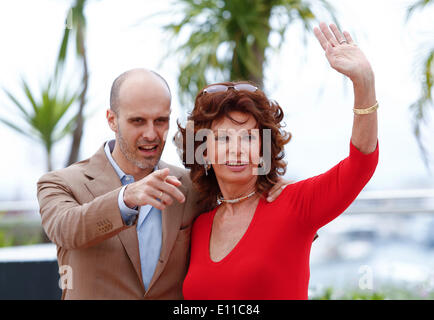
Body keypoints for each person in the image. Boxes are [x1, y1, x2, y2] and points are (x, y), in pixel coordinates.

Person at [36, 68, 288, 299]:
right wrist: (125, 198)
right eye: (137, 121)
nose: (151, 134)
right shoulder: (60, 183)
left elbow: (241, 209)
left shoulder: (193, 186)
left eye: (160, 121)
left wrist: (273, 189)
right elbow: (65, 229)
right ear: (111, 120)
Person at [179, 23, 379, 299]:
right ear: (203, 152)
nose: (236, 149)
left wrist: (363, 82)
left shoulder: (294, 205)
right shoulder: (199, 225)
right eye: (223, 139)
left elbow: (361, 166)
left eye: (249, 138)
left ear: (263, 150)